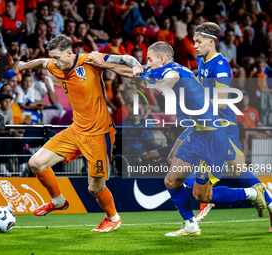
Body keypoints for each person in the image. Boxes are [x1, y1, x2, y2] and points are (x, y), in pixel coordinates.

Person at [87, 41, 267, 236]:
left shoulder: (173, 71)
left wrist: (161, 83)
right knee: (171, 181)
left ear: (162, 59)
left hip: (212, 138)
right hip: (195, 133)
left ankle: (252, 193)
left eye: (150, 59)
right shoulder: (158, 69)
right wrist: (104, 62)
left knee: (202, 195)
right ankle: (190, 225)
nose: (147, 62)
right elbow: (130, 69)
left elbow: (169, 79)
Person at [17, 35, 141, 232]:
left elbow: (125, 58)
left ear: (69, 53)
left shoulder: (89, 60)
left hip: (100, 134)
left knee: (95, 188)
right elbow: (41, 62)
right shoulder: (55, 65)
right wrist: (24, 66)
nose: (54, 62)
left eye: (57, 57)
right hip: (76, 130)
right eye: (53, 58)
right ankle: (58, 200)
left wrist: (136, 65)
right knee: (36, 163)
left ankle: (113, 217)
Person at [169, 22, 272, 231]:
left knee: (240, 171)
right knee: (173, 158)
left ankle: (265, 201)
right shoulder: (201, 59)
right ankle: (208, 193)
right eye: (193, 41)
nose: (194, 45)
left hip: (222, 126)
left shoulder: (221, 65)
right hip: (203, 122)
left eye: (198, 42)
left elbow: (223, 101)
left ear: (211, 42)